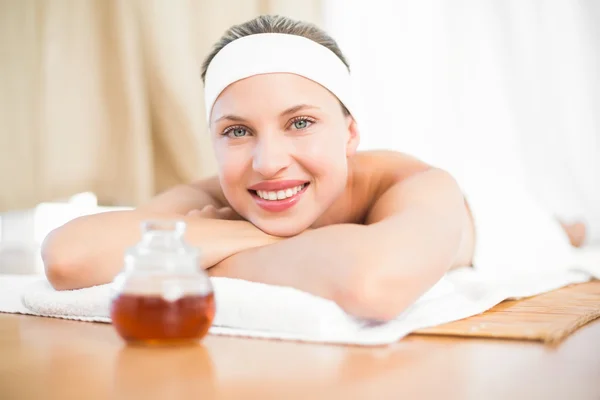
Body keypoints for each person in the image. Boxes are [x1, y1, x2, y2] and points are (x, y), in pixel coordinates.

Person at [42, 15, 475, 321]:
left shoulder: (419, 185)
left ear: (350, 134)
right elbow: (68, 257)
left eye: (300, 123)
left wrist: (202, 251)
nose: (268, 163)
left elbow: (371, 285)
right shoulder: (216, 197)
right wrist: (256, 237)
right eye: (237, 132)